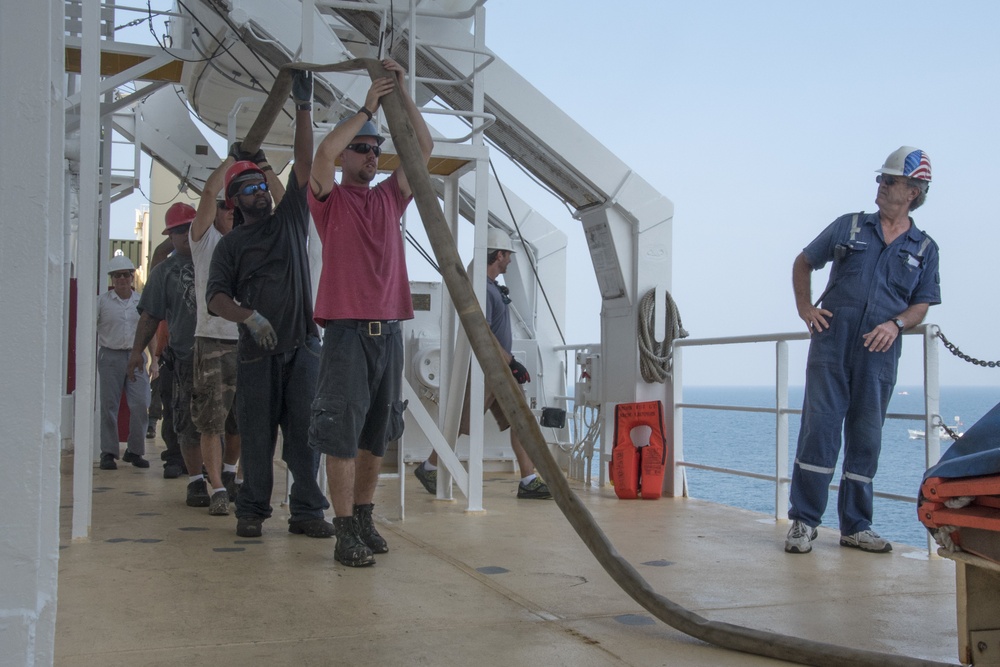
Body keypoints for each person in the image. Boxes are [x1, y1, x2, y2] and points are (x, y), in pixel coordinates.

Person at [307, 58, 433, 567]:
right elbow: (322, 152)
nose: (371, 157)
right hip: (344, 332)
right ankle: (342, 532)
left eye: (376, 150)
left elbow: (421, 150)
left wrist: (402, 96)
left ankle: (363, 516)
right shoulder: (329, 200)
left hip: (388, 332)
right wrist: (366, 108)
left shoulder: (389, 199)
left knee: (378, 432)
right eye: (362, 149)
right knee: (340, 432)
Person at [784, 147, 940, 555]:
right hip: (831, 346)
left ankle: (856, 526)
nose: (881, 185)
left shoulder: (924, 248)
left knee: (866, 437)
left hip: (879, 353)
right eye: (882, 179)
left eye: (889, 181)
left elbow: (921, 304)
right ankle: (803, 522)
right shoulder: (848, 227)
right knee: (819, 431)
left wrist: (897, 324)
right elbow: (804, 262)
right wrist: (805, 308)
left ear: (913, 191)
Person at [207, 69, 333, 539]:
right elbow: (216, 297)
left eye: (262, 185)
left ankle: (305, 512)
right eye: (250, 189)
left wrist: (304, 107)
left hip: (304, 346)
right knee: (258, 438)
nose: (260, 191)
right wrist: (247, 316)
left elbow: (303, 163)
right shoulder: (230, 247)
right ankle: (252, 511)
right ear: (235, 201)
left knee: (305, 436)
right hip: (258, 354)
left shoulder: (290, 220)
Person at [414, 228, 552, 501]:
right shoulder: (482, 289)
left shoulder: (489, 287)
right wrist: (512, 362)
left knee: (521, 420)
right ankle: (429, 467)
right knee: (459, 423)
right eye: (508, 255)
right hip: (484, 369)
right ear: (498, 255)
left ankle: (528, 480)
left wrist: (509, 365)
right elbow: (483, 332)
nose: (510, 261)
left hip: (497, 368)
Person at [188, 156, 269, 516]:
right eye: (222, 207)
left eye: (228, 206)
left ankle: (231, 473)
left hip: (247, 342)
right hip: (212, 342)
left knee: (241, 419)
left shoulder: (249, 241)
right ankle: (217, 487)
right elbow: (207, 192)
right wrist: (233, 161)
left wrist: (261, 171)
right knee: (211, 420)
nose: (225, 212)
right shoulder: (204, 242)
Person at [128, 203, 208, 508]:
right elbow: (149, 316)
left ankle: (224, 477)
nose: (185, 236)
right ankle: (195, 481)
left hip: (222, 354)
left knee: (226, 422)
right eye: (177, 231)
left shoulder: (219, 258)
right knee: (184, 421)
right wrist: (137, 352)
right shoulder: (164, 271)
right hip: (185, 358)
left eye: (189, 229)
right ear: (169, 237)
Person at [96, 254, 151, 470]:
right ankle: (108, 452)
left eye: (126, 274)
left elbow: (150, 331)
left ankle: (134, 451)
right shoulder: (102, 302)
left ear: (131, 276)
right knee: (109, 405)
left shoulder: (141, 302)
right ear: (112, 279)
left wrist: (154, 360)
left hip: (136, 356)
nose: (122, 279)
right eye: (117, 275)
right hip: (110, 355)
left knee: (140, 404)